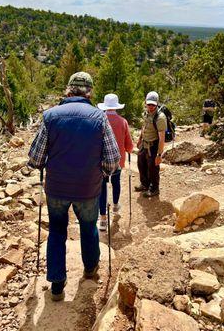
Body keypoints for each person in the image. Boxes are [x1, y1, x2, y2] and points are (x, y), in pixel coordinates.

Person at [28, 72, 120, 301]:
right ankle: (90, 269)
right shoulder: (100, 118)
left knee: (57, 231)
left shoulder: (50, 116)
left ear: (68, 90)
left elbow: (35, 158)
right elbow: (112, 159)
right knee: (88, 227)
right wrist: (102, 174)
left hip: (57, 187)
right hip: (87, 187)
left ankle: (57, 284)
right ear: (89, 92)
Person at [97, 94, 134, 231]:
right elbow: (129, 145)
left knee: (102, 187)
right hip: (118, 160)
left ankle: (102, 219)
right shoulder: (123, 121)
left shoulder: (99, 120)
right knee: (116, 182)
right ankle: (115, 205)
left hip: (102, 160)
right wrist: (128, 149)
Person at [135, 91, 167, 198]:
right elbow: (144, 127)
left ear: (157, 103)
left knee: (152, 168)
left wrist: (159, 155)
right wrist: (140, 139)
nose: (151, 106)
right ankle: (145, 184)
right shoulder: (146, 113)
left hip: (153, 145)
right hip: (144, 143)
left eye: (153, 104)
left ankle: (154, 189)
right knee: (141, 163)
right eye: (149, 104)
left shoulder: (160, 117)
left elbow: (162, 137)